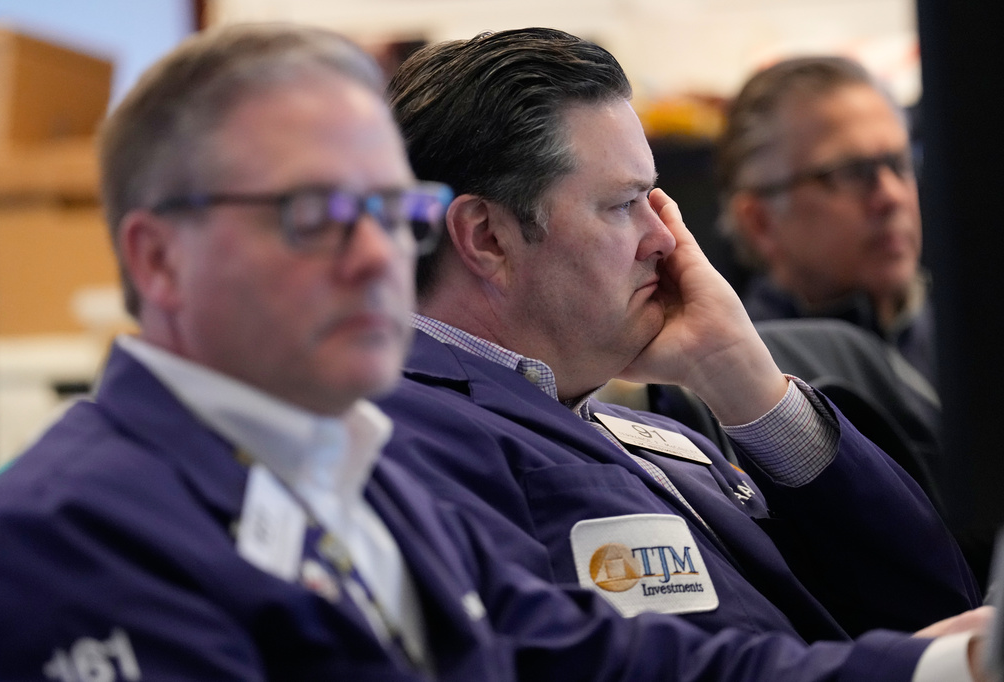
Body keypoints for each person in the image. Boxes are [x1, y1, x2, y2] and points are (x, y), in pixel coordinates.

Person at [0, 22, 990, 682]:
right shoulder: (58, 529)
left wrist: (955, 661)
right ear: (159, 258)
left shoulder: (355, 479)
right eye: (320, 213)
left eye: (391, 210)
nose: (377, 253)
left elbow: (608, 662)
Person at [377, 25, 981, 654]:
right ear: (487, 238)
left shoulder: (658, 439)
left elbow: (937, 600)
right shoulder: (407, 435)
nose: (666, 238)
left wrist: (745, 384)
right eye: (623, 205)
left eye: (653, 199)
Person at [715, 55, 936, 389]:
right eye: (849, 173)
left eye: (899, 163)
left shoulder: (968, 328)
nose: (892, 196)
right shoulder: (743, 388)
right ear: (760, 222)